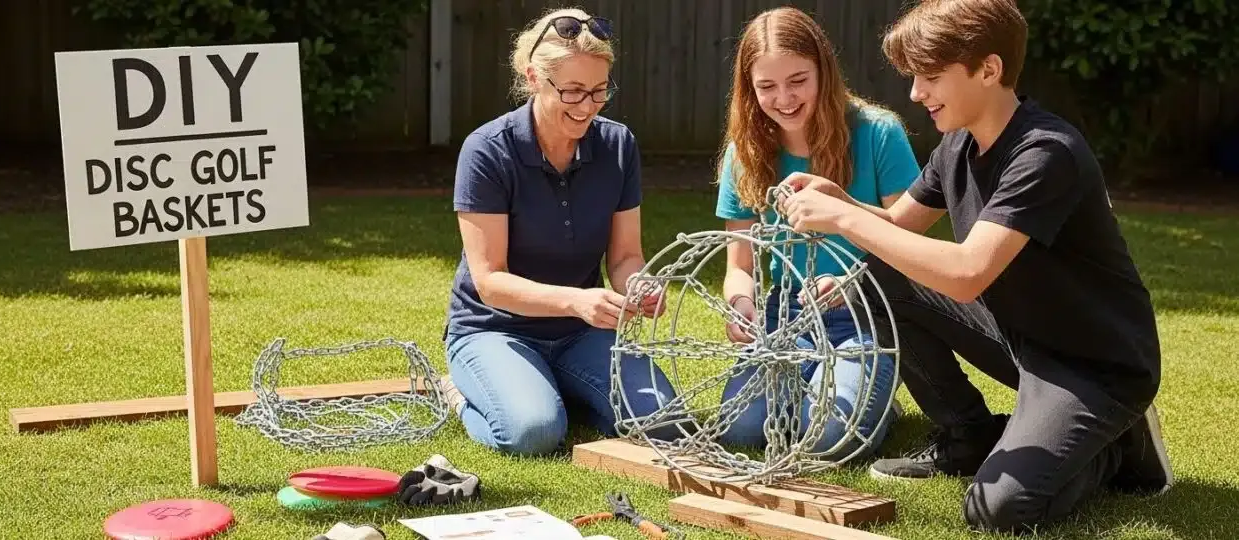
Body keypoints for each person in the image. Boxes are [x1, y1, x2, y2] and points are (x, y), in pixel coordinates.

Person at [776, 0, 1171, 533]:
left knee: (999, 509)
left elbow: (967, 273)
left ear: (989, 69)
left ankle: (1118, 447)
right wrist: (840, 201)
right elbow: (896, 225)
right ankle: (968, 435)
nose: (916, 93)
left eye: (931, 77)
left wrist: (843, 221)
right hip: (1020, 338)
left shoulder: (1045, 153)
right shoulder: (957, 145)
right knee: (876, 276)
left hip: (1094, 365)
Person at [439, 8, 679, 456]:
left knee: (664, 422)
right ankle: (459, 393)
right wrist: (575, 300)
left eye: (599, 91)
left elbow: (625, 257)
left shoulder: (618, 145)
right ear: (534, 78)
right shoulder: (487, 150)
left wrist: (641, 286)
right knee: (535, 433)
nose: (587, 106)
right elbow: (490, 281)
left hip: (581, 331)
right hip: (494, 329)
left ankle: (551, 389)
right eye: (572, 91)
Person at [713, 6, 919, 461]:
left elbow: (912, 243)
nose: (784, 98)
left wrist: (851, 282)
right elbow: (738, 266)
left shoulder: (877, 133)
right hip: (784, 317)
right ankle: (819, 385)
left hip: (866, 315)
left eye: (798, 81)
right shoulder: (745, 152)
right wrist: (741, 305)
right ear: (749, 88)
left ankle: (874, 391)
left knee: (827, 437)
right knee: (740, 429)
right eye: (766, 86)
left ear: (823, 71)